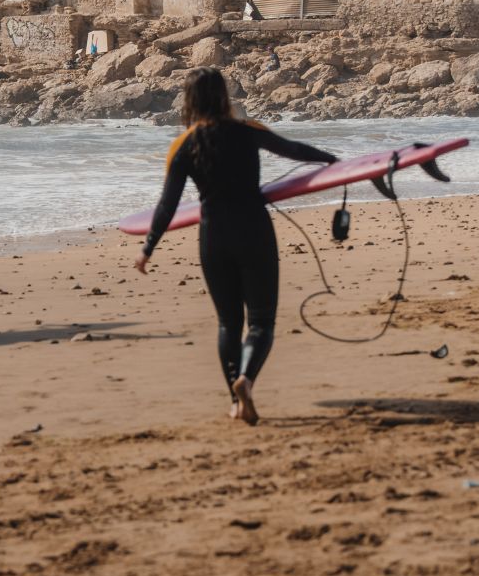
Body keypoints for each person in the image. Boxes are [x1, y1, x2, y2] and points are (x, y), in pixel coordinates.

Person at [134, 68, 337, 425]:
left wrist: (148, 247)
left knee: (228, 324)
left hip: (214, 237)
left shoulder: (185, 146)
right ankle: (247, 379)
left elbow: (168, 204)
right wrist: (334, 161)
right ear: (224, 97)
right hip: (253, 230)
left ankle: (234, 399)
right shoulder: (247, 131)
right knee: (261, 322)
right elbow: (294, 150)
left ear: (189, 101)